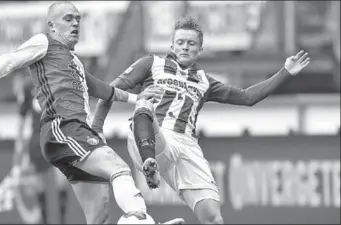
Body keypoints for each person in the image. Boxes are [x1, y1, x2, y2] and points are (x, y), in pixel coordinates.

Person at [0, 2, 184, 224]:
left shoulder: (74, 61)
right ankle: (144, 220)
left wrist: (139, 98)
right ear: (52, 26)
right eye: (68, 19)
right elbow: (11, 58)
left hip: (75, 133)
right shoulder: (44, 42)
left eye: (78, 18)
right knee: (119, 168)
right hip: (63, 127)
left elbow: (102, 89)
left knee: (99, 216)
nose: (76, 23)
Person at [92, 16, 310, 224]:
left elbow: (247, 97)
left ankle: (154, 171)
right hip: (149, 136)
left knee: (213, 218)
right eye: (180, 42)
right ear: (172, 47)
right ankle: (150, 164)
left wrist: (285, 72)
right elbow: (110, 91)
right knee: (144, 103)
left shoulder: (205, 82)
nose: (185, 47)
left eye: (191, 43)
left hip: (185, 145)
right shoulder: (151, 63)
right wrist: (96, 129)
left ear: (200, 50)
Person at [13, 74, 69, 224]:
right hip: (37, 139)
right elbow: (22, 115)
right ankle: (45, 221)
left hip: (58, 136)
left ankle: (62, 220)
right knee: (39, 183)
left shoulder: (60, 79)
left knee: (61, 180)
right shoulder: (28, 85)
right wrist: (18, 143)